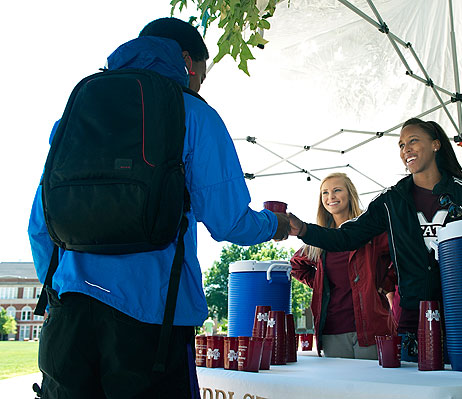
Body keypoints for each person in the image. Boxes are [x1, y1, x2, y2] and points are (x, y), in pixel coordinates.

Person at [28, 18, 288, 398]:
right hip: (153, 321)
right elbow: (230, 222)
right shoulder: (193, 112)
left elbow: (41, 224)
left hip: (68, 319)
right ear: (186, 60)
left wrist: (54, 292)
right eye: (202, 71)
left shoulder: (77, 114)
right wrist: (275, 224)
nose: (199, 82)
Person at [288, 118, 462, 360]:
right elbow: (346, 237)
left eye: (413, 141)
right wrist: (302, 229)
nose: (406, 149)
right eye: (401, 145)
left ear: (436, 144)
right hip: (411, 322)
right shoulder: (390, 201)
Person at [290, 173, 396, 359]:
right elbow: (296, 266)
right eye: (325, 192)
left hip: (372, 328)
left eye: (337, 190)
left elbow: (398, 257)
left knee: (374, 387)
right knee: (339, 388)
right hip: (333, 330)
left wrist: (385, 284)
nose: (330, 196)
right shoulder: (319, 237)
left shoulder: (370, 230)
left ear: (350, 194)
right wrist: (320, 284)